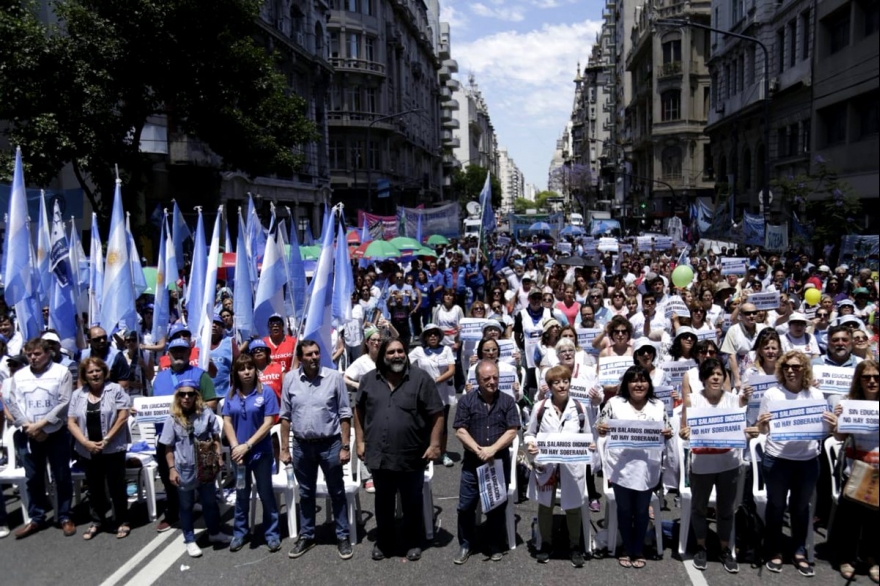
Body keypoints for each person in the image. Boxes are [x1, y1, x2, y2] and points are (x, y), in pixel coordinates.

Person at [353, 337, 444, 562]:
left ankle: (413, 541)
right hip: (379, 454)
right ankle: (384, 542)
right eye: (391, 352)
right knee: (383, 502)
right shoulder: (368, 380)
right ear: (383, 356)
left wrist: (434, 444)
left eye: (400, 351)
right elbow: (359, 410)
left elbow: (437, 413)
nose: (397, 356)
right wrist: (361, 441)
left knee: (412, 501)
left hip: (411, 453)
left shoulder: (420, 379)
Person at [756, 351, 837, 577]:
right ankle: (773, 550)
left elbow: (824, 431)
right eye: (787, 367)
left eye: (796, 367)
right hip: (777, 461)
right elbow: (763, 430)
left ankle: (799, 551)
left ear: (805, 370)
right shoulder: (772, 394)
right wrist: (762, 424)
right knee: (776, 506)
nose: (791, 370)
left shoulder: (815, 395)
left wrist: (832, 424)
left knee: (801, 509)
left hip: (807, 462)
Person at [280, 340, 353, 560]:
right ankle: (307, 535)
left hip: (330, 444)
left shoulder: (334, 377)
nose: (314, 357)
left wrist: (345, 445)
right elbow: (285, 416)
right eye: (309, 354)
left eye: (316, 353)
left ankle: (342, 536)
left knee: (337, 492)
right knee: (305, 493)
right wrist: (284, 449)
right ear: (300, 358)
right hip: (302, 446)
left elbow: (345, 414)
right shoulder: (289, 379)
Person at [596, 365, 673, 569]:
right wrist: (602, 428)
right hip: (621, 466)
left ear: (649, 383)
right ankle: (626, 547)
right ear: (626, 385)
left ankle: (637, 548)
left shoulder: (658, 405)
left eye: (643, 380)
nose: (638, 385)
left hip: (647, 467)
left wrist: (667, 433)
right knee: (624, 509)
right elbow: (600, 426)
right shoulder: (614, 403)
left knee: (640, 511)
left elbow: (669, 428)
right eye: (633, 381)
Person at [678, 358, 749, 573]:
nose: (716, 378)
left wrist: (750, 431)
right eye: (711, 374)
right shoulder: (692, 401)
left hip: (728, 463)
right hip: (702, 464)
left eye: (719, 374)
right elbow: (683, 429)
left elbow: (741, 428)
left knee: (726, 508)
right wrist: (685, 432)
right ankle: (701, 546)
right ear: (703, 379)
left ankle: (725, 548)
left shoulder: (734, 400)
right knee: (699, 507)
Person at [5, 337, 75, 539]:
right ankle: (36, 518)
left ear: (48, 353)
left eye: (37, 354)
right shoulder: (19, 376)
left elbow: (64, 402)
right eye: (29, 354)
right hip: (29, 433)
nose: (33, 358)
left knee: (61, 476)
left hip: (55, 432)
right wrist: (29, 426)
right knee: (33, 477)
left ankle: (64, 516)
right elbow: (13, 403)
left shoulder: (61, 373)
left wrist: (42, 425)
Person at [452, 360, 520, 564]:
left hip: (498, 463)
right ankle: (466, 543)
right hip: (473, 463)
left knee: (497, 506)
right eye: (487, 378)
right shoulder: (466, 401)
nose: (492, 382)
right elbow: (460, 430)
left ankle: (493, 543)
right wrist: (479, 450)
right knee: (465, 506)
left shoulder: (507, 401)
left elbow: (512, 430)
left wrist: (492, 449)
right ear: (477, 380)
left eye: (495, 377)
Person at [525, 365, 592, 567]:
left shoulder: (579, 408)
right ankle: (546, 543)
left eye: (565, 381)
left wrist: (589, 445)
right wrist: (531, 444)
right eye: (556, 382)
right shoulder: (539, 408)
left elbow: (587, 434)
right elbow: (529, 433)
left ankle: (574, 546)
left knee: (573, 505)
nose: (562, 386)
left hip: (572, 465)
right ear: (549, 386)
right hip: (547, 464)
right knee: (545, 504)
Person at [150, 337, 218, 532]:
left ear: (189, 353)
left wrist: (190, 410)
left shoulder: (200, 375)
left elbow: (212, 402)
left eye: (182, 350)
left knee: (202, 479)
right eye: (174, 351)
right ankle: (173, 513)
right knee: (169, 477)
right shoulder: (160, 378)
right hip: (167, 436)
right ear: (168, 355)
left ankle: (208, 517)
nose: (178, 354)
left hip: (196, 438)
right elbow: (153, 405)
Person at [160, 381, 230, 557]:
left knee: (209, 502)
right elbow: (168, 447)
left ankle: (214, 533)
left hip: (205, 465)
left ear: (196, 396)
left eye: (190, 394)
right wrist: (172, 469)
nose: (186, 398)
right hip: (184, 468)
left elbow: (215, 437)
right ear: (178, 397)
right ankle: (190, 540)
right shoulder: (173, 418)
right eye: (182, 394)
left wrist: (219, 456)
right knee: (186, 505)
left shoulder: (205, 413)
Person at [67, 357, 132, 540]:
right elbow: (71, 422)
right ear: (85, 376)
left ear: (104, 372)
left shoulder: (115, 390)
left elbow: (123, 415)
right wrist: (85, 442)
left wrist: (106, 439)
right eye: (90, 372)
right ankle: (97, 521)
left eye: (98, 371)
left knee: (116, 486)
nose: (94, 375)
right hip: (87, 448)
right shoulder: (77, 394)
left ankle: (122, 520)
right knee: (94, 487)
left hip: (112, 447)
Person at [222, 353, 280, 553]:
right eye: (241, 369)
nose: (246, 372)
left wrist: (248, 445)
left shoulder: (267, 393)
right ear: (236, 373)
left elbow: (269, 422)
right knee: (241, 493)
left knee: (266, 493)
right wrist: (235, 446)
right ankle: (240, 532)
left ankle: (271, 533)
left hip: (260, 453)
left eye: (250, 368)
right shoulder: (231, 394)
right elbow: (227, 422)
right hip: (239, 455)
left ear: (256, 370)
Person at [830, 359, 879, 583]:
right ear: (859, 380)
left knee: (875, 519)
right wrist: (837, 421)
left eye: (876, 377)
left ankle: (872, 559)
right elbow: (839, 436)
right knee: (851, 518)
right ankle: (846, 558)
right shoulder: (848, 403)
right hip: (856, 468)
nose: (871, 381)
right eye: (866, 377)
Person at [408, 324, 456, 467]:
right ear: (425, 337)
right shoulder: (419, 350)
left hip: (443, 392)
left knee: (442, 423)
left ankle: (443, 452)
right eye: (429, 334)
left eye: (435, 334)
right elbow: (406, 363)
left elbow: (451, 369)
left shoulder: (446, 349)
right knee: (424, 423)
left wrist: (436, 380)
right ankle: (426, 451)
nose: (433, 336)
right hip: (424, 393)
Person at [721, 302, 767, 390]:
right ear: (740, 316)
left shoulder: (763, 328)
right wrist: (737, 379)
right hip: (741, 375)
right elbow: (731, 356)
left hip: (762, 374)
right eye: (747, 313)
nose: (752, 315)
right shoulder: (733, 330)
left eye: (754, 312)